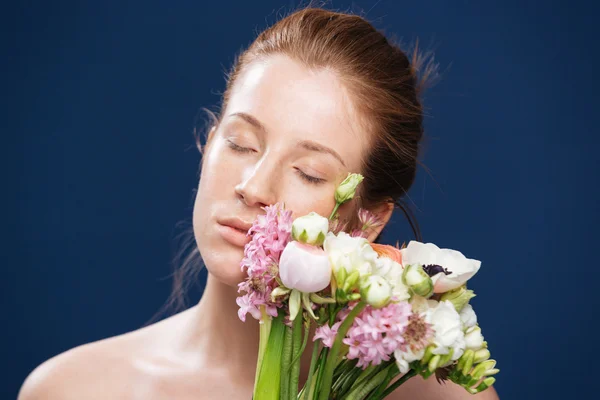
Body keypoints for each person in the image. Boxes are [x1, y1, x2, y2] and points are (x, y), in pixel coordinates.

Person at [18, 6, 499, 400]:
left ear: (368, 220)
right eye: (241, 143)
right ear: (207, 146)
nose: (253, 185)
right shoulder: (71, 388)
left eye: (309, 172)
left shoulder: (449, 396)